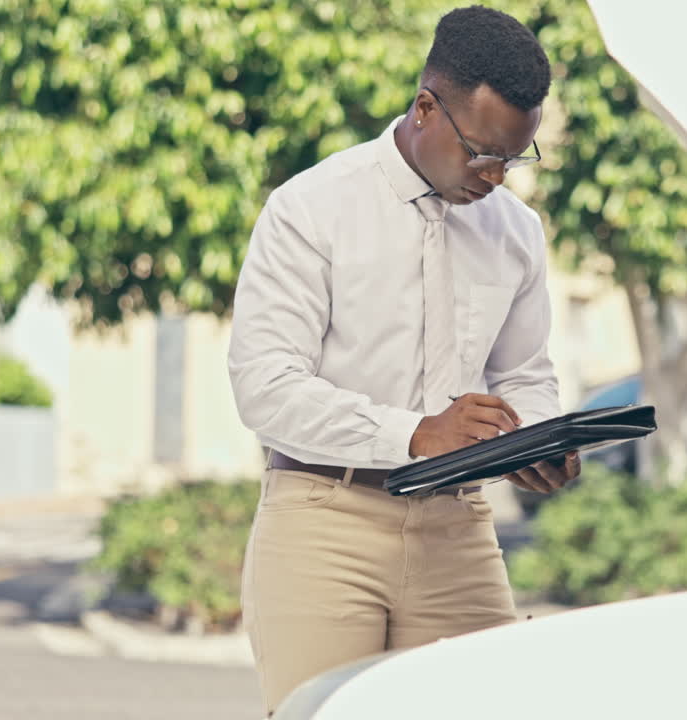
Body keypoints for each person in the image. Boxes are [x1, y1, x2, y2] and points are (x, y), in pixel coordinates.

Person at [226, 6, 581, 715]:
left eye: (514, 158)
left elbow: (524, 374)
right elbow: (265, 386)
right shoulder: (311, 208)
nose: (496, 176)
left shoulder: (515, 231)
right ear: (425, 108)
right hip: (325, 521)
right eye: (483, 152)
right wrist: (417, 435)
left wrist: (535, 437)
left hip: (459, 527)